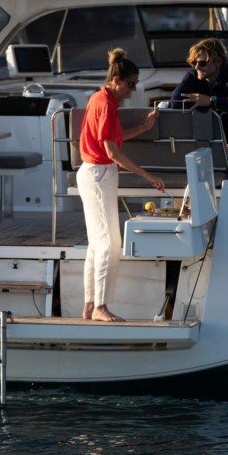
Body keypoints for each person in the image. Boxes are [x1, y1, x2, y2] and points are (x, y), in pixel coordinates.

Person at [78, 48, 166, 322]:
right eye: (131, 84)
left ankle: (91, 305)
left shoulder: (103, 100)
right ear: (117, 81)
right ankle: (100, 307)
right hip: (98, 175)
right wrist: (147, 176)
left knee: (97, 244)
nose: (133, 89)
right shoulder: (105, 104)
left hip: (97, 174)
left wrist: (143, 128)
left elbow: (113, 140)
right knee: (109, 244)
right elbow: (112, 153)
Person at [170, 38, 228, 146]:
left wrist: (211, 101)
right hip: (204, 140)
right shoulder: (193, 75)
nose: (197, 67)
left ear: (218, 62)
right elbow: (175, 102)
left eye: (202, 63)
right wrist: (227, 101)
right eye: (194, 62)